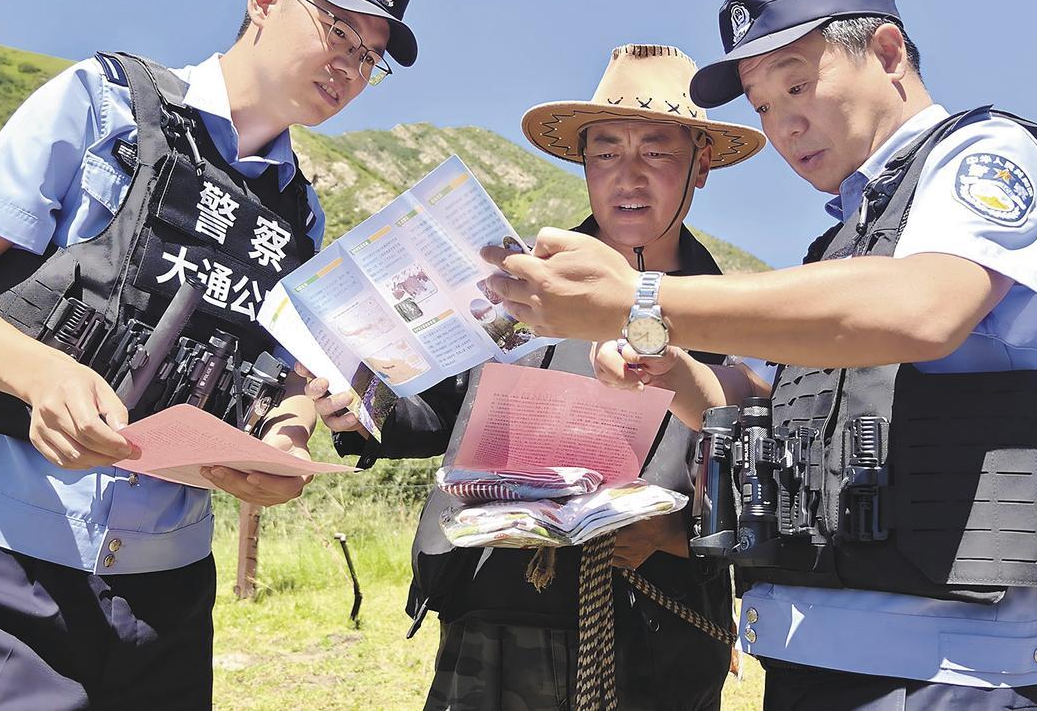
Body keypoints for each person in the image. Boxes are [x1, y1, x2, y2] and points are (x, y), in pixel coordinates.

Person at [481, 0, 1037, 711]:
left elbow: (924, 310)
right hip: (805, 666)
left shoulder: (983, 157)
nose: (785, 124)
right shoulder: (841, 240)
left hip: (950, 676)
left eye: (797, 84)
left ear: (887, 52)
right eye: (762, 106)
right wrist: (669, 369)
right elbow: (755, 402)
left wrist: (640, 298)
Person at [0, 0, 418, 710]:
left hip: (166, 602)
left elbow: (287, 373)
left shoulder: (300, 214)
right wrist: (40, 375)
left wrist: (285, 444)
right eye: (339, 31)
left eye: (370, 58)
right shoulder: (104, 102)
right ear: (263, 2)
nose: (351, 67)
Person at [325, 44, 768, 710]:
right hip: (491, 619)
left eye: (655, 152)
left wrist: (674, 537)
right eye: (606, 153)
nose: (628, 176)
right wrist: (360, 404)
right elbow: (438, 412)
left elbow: (767, 484)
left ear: (699, 164)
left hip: (652, 638)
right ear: (584, 164)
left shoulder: (737, 321)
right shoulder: (517, 285)